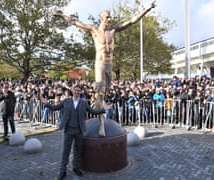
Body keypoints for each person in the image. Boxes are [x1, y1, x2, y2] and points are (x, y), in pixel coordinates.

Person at [52, 0, 156, 136]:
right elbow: (74, 21)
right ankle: (101, 125)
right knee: (100, 93)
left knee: (104, 93)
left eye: (109, 16)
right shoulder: (94, 30)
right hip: (100, 64)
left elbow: (132, 21)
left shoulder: (113, 30)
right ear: (101, 18)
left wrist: (148, 8)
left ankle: (96, 106)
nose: (109, 19)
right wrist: (59, 14)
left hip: (109, 64)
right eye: (107, 16)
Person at [40, 85, 111, 180]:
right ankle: (62, 171)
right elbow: (55, 108)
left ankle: (76, 168)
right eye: (75, 90)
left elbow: (93, 111)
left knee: (78, 150)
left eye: (78, 91)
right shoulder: (66, 101)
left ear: (80, 92)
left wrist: (104, 109)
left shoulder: (84, 103)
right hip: (68, 130)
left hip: (79, 130)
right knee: (66, 151)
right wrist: (46, 103)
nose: (77, 92)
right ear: (72, 91)